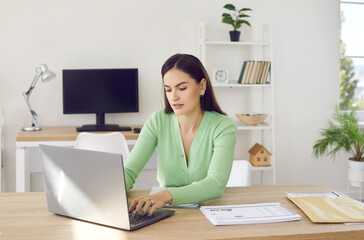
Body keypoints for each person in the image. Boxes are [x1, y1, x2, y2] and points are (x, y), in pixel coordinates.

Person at [125, 53, 237, 216]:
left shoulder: (223, 126)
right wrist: (109, 191)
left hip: (208, 215)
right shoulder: (157, 120)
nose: (173, 97)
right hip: (164, 214)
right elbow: (129, 171)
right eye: (168, 90)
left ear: (202, 86)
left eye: (182, 88)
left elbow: (216, 183)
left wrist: (166, 196)